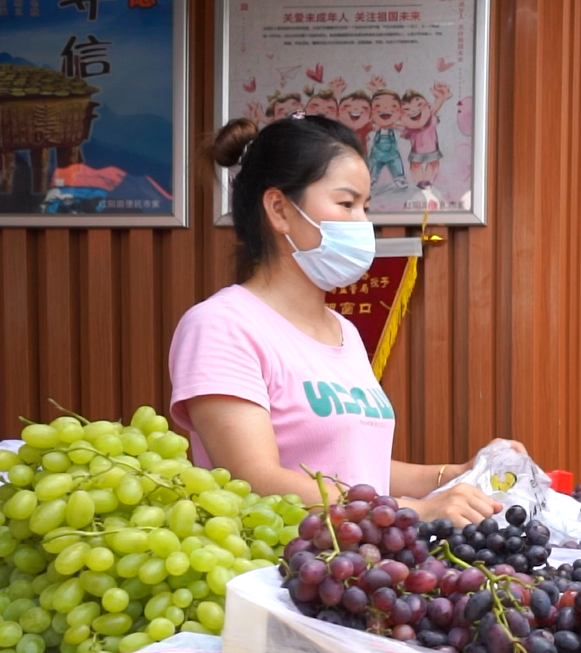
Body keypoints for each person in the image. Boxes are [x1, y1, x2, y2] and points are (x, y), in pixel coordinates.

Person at [169, 114, 516, 524]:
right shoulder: (220, 326)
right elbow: (254, 479)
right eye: (346, 203)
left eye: (365, 207)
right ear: (279, 209)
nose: (362, 224)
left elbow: (354, 472)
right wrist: (413, 512)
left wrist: (453, 474)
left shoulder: (343, 332)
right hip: (279, 575)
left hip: (361, 568)